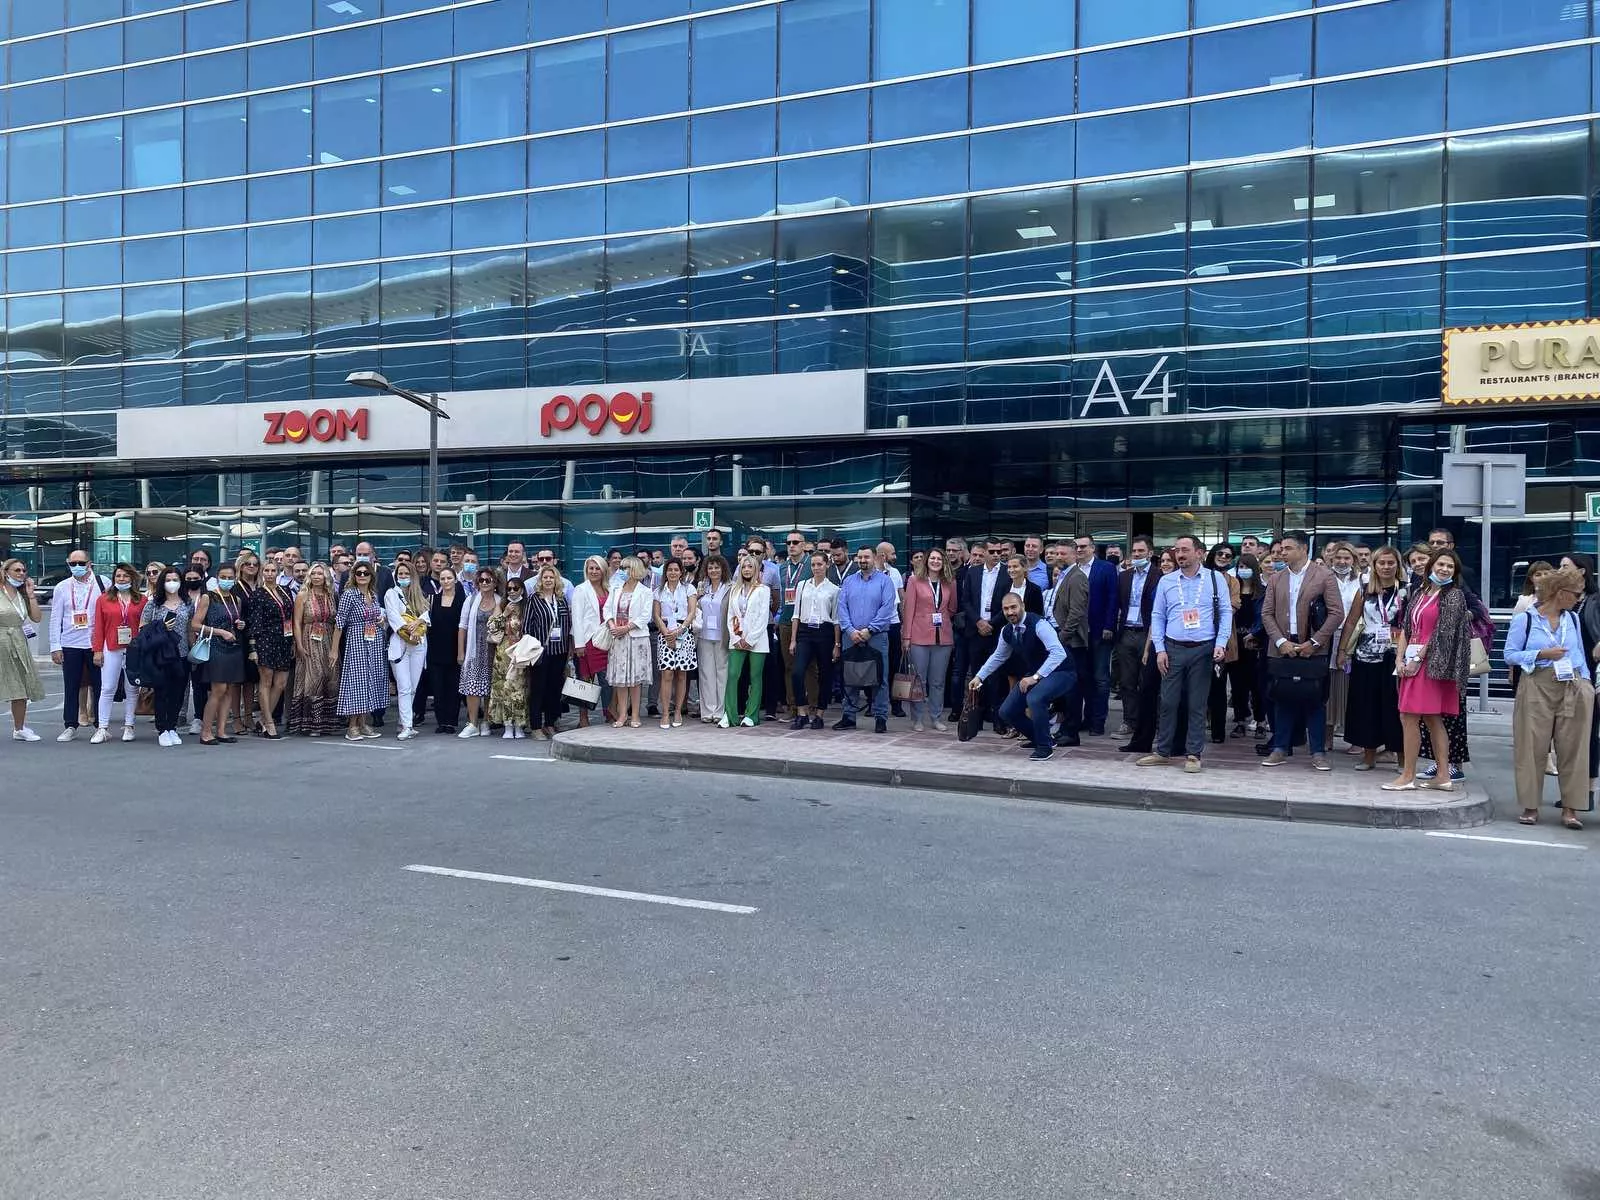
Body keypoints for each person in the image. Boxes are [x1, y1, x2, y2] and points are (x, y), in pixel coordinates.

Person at [1503, 564, 1592, 828]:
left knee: (1574, 748)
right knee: (1531, 747)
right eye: (1575, 594)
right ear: (1560, 593)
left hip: (1572, 683)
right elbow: (1509, 655)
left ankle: (1570, 809)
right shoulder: (1526, 619)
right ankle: (1530, 806)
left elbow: (1579, 654)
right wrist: (1541, 654)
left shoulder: (1572, 619)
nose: (1578, 599)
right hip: (1536, 684)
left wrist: (1587, 683)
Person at [1138, 535, 1232, 774]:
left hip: (1203, 648)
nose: (1179, 554)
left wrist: (1221, 643)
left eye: (1185, 550)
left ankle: (1193, 754)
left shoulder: (1215, 579)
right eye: (1177, 550)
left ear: (1199, 553)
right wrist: (1160, 649)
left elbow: (1225, 612)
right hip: (1173, 648)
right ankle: (1163, 751)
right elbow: (1157, 615)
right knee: (1168, 701)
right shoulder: (1167, 580)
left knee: (1196, 704)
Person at [1385, 548, 1473, 792]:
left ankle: (1408, 776)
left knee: (1409, 717)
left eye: (1450, 566)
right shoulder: (1420, 592)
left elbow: (1442, 632)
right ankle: (1442, 776)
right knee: (1431, 719)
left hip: (1433, 664)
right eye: (1441, 564)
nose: (1444, 569)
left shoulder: (1454, 595)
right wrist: (1399, 658)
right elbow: (1406, 628)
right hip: (1411, 659)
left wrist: (1417, 659)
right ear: (1431, 566)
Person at [1259, 532, 1344, 771]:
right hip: (1282, 648)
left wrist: (1315, 642)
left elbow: (1336, 612)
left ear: (1303, 548)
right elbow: (1266, 613)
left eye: (1287, 548)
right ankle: (1280, 748)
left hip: (1313, 648)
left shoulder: (1324, 575)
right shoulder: (1276, 578)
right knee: (1282, 698)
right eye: (1281, 549)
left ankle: (1318, 752)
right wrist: (1280, 641)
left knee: (1315, 700)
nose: (1282, 553)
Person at [967, 592, 1075, 762]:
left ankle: (1045, 747)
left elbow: (1058, 653)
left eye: (1013, 607)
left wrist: (1035, 677)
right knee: (1006, 711)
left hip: (1062, 671)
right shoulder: (1007, 631)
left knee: (1035, 698)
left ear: (1022, 606)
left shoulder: (1039, 624)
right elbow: (998, 656)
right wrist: (979, 677)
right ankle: (1040, 738)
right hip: (1036, 674)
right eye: (1006, 609)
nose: (1010, 612)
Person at [1342, 545, 1406, 772]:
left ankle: (1402, 759)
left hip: (1396, 656)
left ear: (1397, 565)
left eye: (1391, 563)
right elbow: (1352, 620)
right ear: (1374, 565)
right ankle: (1368, 756)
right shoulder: (1365, 589)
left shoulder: (1406, 590)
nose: (1386, 567)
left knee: (1395, 708)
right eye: (1382, 563)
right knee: (1366, 706)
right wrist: (1342, 650)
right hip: (1366, 656)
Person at [835, 546, 896, 734]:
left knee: (880, 678)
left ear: (874, 558)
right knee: (850, 676)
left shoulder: (885, 581)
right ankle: (848, 717)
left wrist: (870, 630)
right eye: (860, 557)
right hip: (850, 637)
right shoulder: (848, 581)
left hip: (876, 636)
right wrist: (850, 630)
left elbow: (887, 608)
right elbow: (841, 607)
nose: (863, 560)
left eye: (866, 557)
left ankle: (880, 717)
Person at [49, 547, 106, 742]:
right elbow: (55, 618)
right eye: (73, 563)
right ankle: (70, 725)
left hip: (95, 643)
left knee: (100, 686)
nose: (77, 566)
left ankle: (101, 725)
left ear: (89, 564)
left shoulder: (102, 583)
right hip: (70, 643)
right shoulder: (61, 587)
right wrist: (55, 646)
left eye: (81, 563)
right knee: (71, 685)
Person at [88, 563, 145, 744]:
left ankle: (129, 726)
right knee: (107, 688)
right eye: (118, 576)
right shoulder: (104, 599)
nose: (121, 579)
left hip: (134, 649)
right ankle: (102, 728)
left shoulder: (141, 600)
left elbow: (145, 627)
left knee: (132, 688)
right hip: (111, 647)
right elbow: (98, 627)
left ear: (132, 578)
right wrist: (97, 650)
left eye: (125, 576)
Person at [192, 562, 247, 746]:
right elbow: (195, 624)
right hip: (216, 645)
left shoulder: (236, 599)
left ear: (235, 579)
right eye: (223, 577)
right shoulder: (208, 597)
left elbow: (233, 619)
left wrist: (240, 625)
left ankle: (221, 731)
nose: (227, 580)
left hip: (233, 646)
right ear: (217, 578)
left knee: (229, 689)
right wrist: (219, 632)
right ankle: (206, 731)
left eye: (230, 577)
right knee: (218, 689)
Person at [901, 547, 954, 733]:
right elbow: (908, 610)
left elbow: (952, 608)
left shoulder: (949, 582)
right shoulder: (914, 580)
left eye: (939, 559)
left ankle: (936, 717)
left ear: (943, 562)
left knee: (938, 681)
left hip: (943, 637)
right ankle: (917, 718)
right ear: (926, 560)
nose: (935, 561)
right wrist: (906, 636)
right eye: (932, 558)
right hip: (918, 636)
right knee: (919, 681)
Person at [785, 551, 840, 731]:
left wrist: (837, 644)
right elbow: (796, 614)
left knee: (824, 674)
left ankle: (819, 714)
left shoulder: (834, 589)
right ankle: (802, 713)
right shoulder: (802, 585)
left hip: (825, 632)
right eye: (813, 565)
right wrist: (793, 639)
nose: (816, 568)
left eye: (820, 564)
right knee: (797, 672)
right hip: (805, 631)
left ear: (827, 565)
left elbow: (836, 619)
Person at [333, 561, 386, 742]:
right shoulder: (349, 594)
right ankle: (352, 726)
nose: (362, 576)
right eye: (359, 573)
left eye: (366, 573)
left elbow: (378, 615)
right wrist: (334, 650)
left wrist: (380, 621)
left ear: (371, 576)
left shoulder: (373, 594)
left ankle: (363, 723)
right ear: (353, 576)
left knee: (370, 682)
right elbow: (339, 622)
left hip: (374, 641)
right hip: (356, 640)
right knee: (356, 683)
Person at [289, 563, 341, 738]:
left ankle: (328, 723)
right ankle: (312, 724)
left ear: (326, 576)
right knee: (314, 678)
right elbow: (297, 622)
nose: (317, 576)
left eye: (320, 573)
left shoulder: (331, 595)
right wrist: (299, 644)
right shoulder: (303, 595)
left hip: (329, 639)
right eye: (314, 573)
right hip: (309, 639)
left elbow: (336, 621)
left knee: (331, 678)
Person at [1321, 541, 1364, 750]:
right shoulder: (1323, 578)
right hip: (1328, 637)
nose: (1342, 561)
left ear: (1353, 560)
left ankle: (1355, 739)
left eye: (1346, 558)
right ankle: (1326, 737)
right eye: (1338, 557)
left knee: (1352, 690)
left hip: (1355, 639)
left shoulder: (1363, 581)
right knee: (1328, 690)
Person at [602, 556, 654, 728]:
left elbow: (645, 616)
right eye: (622, 568)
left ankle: (635, 715)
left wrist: (626, 628)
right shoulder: (615, 589)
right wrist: (612, 626)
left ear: (635, 570)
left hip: (636, 639)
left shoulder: (645, 592)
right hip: (618, 639)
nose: (623, 571)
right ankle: (622, 714)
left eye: (626, 568)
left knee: (635, 679)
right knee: (620, 678)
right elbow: (607, 610)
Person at [244, 565, 294, 739]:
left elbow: (290, 616)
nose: (270, 574)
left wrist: (293, 641)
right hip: (265, 640)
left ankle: (263, 720)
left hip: (285, 639)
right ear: (262, 573)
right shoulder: (257, 594)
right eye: (267, 570)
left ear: (277, 573)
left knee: (281, 683)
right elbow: (254, 622)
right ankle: (269, 722)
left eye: (273, 571)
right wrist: (253, 648)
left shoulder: (285, 590)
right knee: (266, 681)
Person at [958, 540, 1005, 727]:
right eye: (992, 551)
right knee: (977, 674)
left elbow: (1009, 602)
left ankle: (997, 718)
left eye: (999, 551)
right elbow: (966, 601)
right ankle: (976, 718)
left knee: (996, 676)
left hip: (996, 630)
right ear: (984, 552)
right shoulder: (973, 572)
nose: (996, 555)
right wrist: (978, 621)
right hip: (975, 630)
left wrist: (991, 624)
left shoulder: (1006, 572)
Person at [722, 553, 771, 728]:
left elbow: (763, 618)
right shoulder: (735, 589)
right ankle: (729, 715)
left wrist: (749, 639)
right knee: (733, 674)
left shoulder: (763, 590)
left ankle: (751, 715)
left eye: (750, 566)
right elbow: (730, 616)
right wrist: (736, 637)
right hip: (736, 639)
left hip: (757, 640)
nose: (747, 569)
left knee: (755, 676)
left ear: (756, 569)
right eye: (744, 566)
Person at [1113, 537, 1156, 737]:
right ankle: (1129, 721)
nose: (1137, 554)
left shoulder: (1159, 575)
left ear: (1150, 553)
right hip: (1127, 632)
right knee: (1127, 681)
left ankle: (1150, 722)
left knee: (1148, 681)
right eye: (1134, 551)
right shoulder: (1124, 576)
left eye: (1141, 551)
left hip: (1148, 634)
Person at [523, 564, 572, 739]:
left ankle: (550, 723)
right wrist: (532, 647)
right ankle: (536, 726)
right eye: (545, 577)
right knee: (538, 689)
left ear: (556, 580)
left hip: (560, 651)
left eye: (551, 577)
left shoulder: (561, 599)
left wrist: (570, 648)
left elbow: (567, 624)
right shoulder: (534, 599)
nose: (548, 580)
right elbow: (527, 625)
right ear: (540, 580)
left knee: (554, 688)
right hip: (540, 651)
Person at [1, 559, 46, 741]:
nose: (21, 573)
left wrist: (31, 595)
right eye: (16, 570)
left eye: (23, 570)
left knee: (20, 687)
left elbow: (36, 618)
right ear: (6, 572)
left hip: (18, 642)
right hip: (2, 640)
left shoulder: (22, 595)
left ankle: (19, 728)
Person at [384, 563, 430, 740]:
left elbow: (426, 616)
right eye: (400, 573)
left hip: (418, 645)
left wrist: (418, 623)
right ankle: (407, 726)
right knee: (404, 687)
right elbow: (393, 617)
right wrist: (410, 629)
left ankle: (403, 721)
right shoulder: (391, 593)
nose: (403, 576)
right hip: (401, 644)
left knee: (412, 688)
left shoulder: (419, 594)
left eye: (406, 573)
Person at [652, 558, 698, 729]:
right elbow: (656, 615)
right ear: (666, 572)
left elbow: (692, 611)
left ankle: (678, 711)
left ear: (681, 572)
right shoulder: (658, 591)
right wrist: (666, 632)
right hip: (665, 633)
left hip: (683, 632)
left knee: (681, 674)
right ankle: (665, 713)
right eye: (670, 570)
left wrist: (681, 629)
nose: (673, 573)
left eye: (676, 570)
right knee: (667, 673)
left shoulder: (688, 588)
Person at [457, 567, 500, 738]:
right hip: (474, 650)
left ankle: (486, 722)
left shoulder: (500, 601)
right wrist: (460, 652)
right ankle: (473, 723)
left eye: (488, 580)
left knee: (491, 687)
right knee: (472, 687)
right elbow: (462, 626)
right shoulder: (471, 600)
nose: (484, 583)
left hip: (493, 650)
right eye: (481, 580)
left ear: (495, 583)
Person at [570, 556, 610, 729]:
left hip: (606, 639)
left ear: (603, 570)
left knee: (607, 679)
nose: (594, 571)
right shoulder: (581, 589)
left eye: (597, 568)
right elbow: (576, 618)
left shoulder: (609, 588)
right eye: (591, 568)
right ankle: (583, 717)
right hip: (587, 640)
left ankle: (609, 712)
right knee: (584, 679)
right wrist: (578, 644)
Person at [1229, 552, 1267, 736]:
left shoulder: (1262, 592)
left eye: (1247, 567)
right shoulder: (1233, 590)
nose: (1243, 570)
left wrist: (1254, 633)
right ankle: (1240, 721)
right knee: (1237, 685)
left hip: (1254, 643)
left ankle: (1260, 721)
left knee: (1257, 685)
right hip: (1235, 643)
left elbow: (1264, 617)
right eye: (1240, 567)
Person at [776, 531, 812, 718]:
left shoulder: (811, 564)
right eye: (788, 542)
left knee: (810, 667)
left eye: (796, 542)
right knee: (789, 666)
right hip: (786, 621)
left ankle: (811, 706)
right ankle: (793, 706)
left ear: (804, 545)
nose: (791, 545)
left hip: (807, 621)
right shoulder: (782, 568)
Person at [425, 567, 465, 734]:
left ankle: (451, 722)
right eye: (443, 578)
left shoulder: (463, 600)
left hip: (455, 650)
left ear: (455, 580)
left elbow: (464, 627)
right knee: (438, 688)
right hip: (435, 650)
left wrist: (461, 652)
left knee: (453, 687)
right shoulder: (432, 599)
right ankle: (441, 721)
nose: (446, 581)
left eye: (449, 578)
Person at [487, 587, 529, 739]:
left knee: (519, 688)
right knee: (503, 687)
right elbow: (491, 626)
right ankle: (507, 725)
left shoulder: (526, 606)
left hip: (521, 649)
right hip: (503, 651)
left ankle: (519, 724)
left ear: (521, 590)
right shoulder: (502, 605)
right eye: (509, 589)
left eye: (515, 588)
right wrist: (504, 614)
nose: (512, 591)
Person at [695, 555, 732, 726]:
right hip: (704, 636)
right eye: (710, 568)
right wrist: (698, 597)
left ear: (723, 569)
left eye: (717, 567)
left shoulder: (730, 587)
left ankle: (720, 711)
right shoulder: (702, 587)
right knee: (706, 674)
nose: (713, 571)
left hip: (722, 635)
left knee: (722, 674)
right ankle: (708, 711)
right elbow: (695, 608)